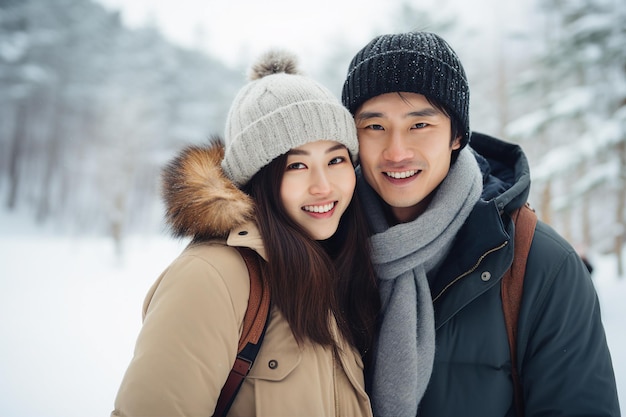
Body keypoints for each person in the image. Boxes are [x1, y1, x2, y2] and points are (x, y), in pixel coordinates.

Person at [341, 31, 620, 416]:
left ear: (457, 135)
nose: (396, 151)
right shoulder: (321, 251)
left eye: (419, 125)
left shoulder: (540, 265)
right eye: (374, 126)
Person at [111, 50, 379, 416]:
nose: (323, 186)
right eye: (296, 165)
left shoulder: (335, 267)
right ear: (259, 179)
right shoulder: (213, 276)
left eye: (336, 160)